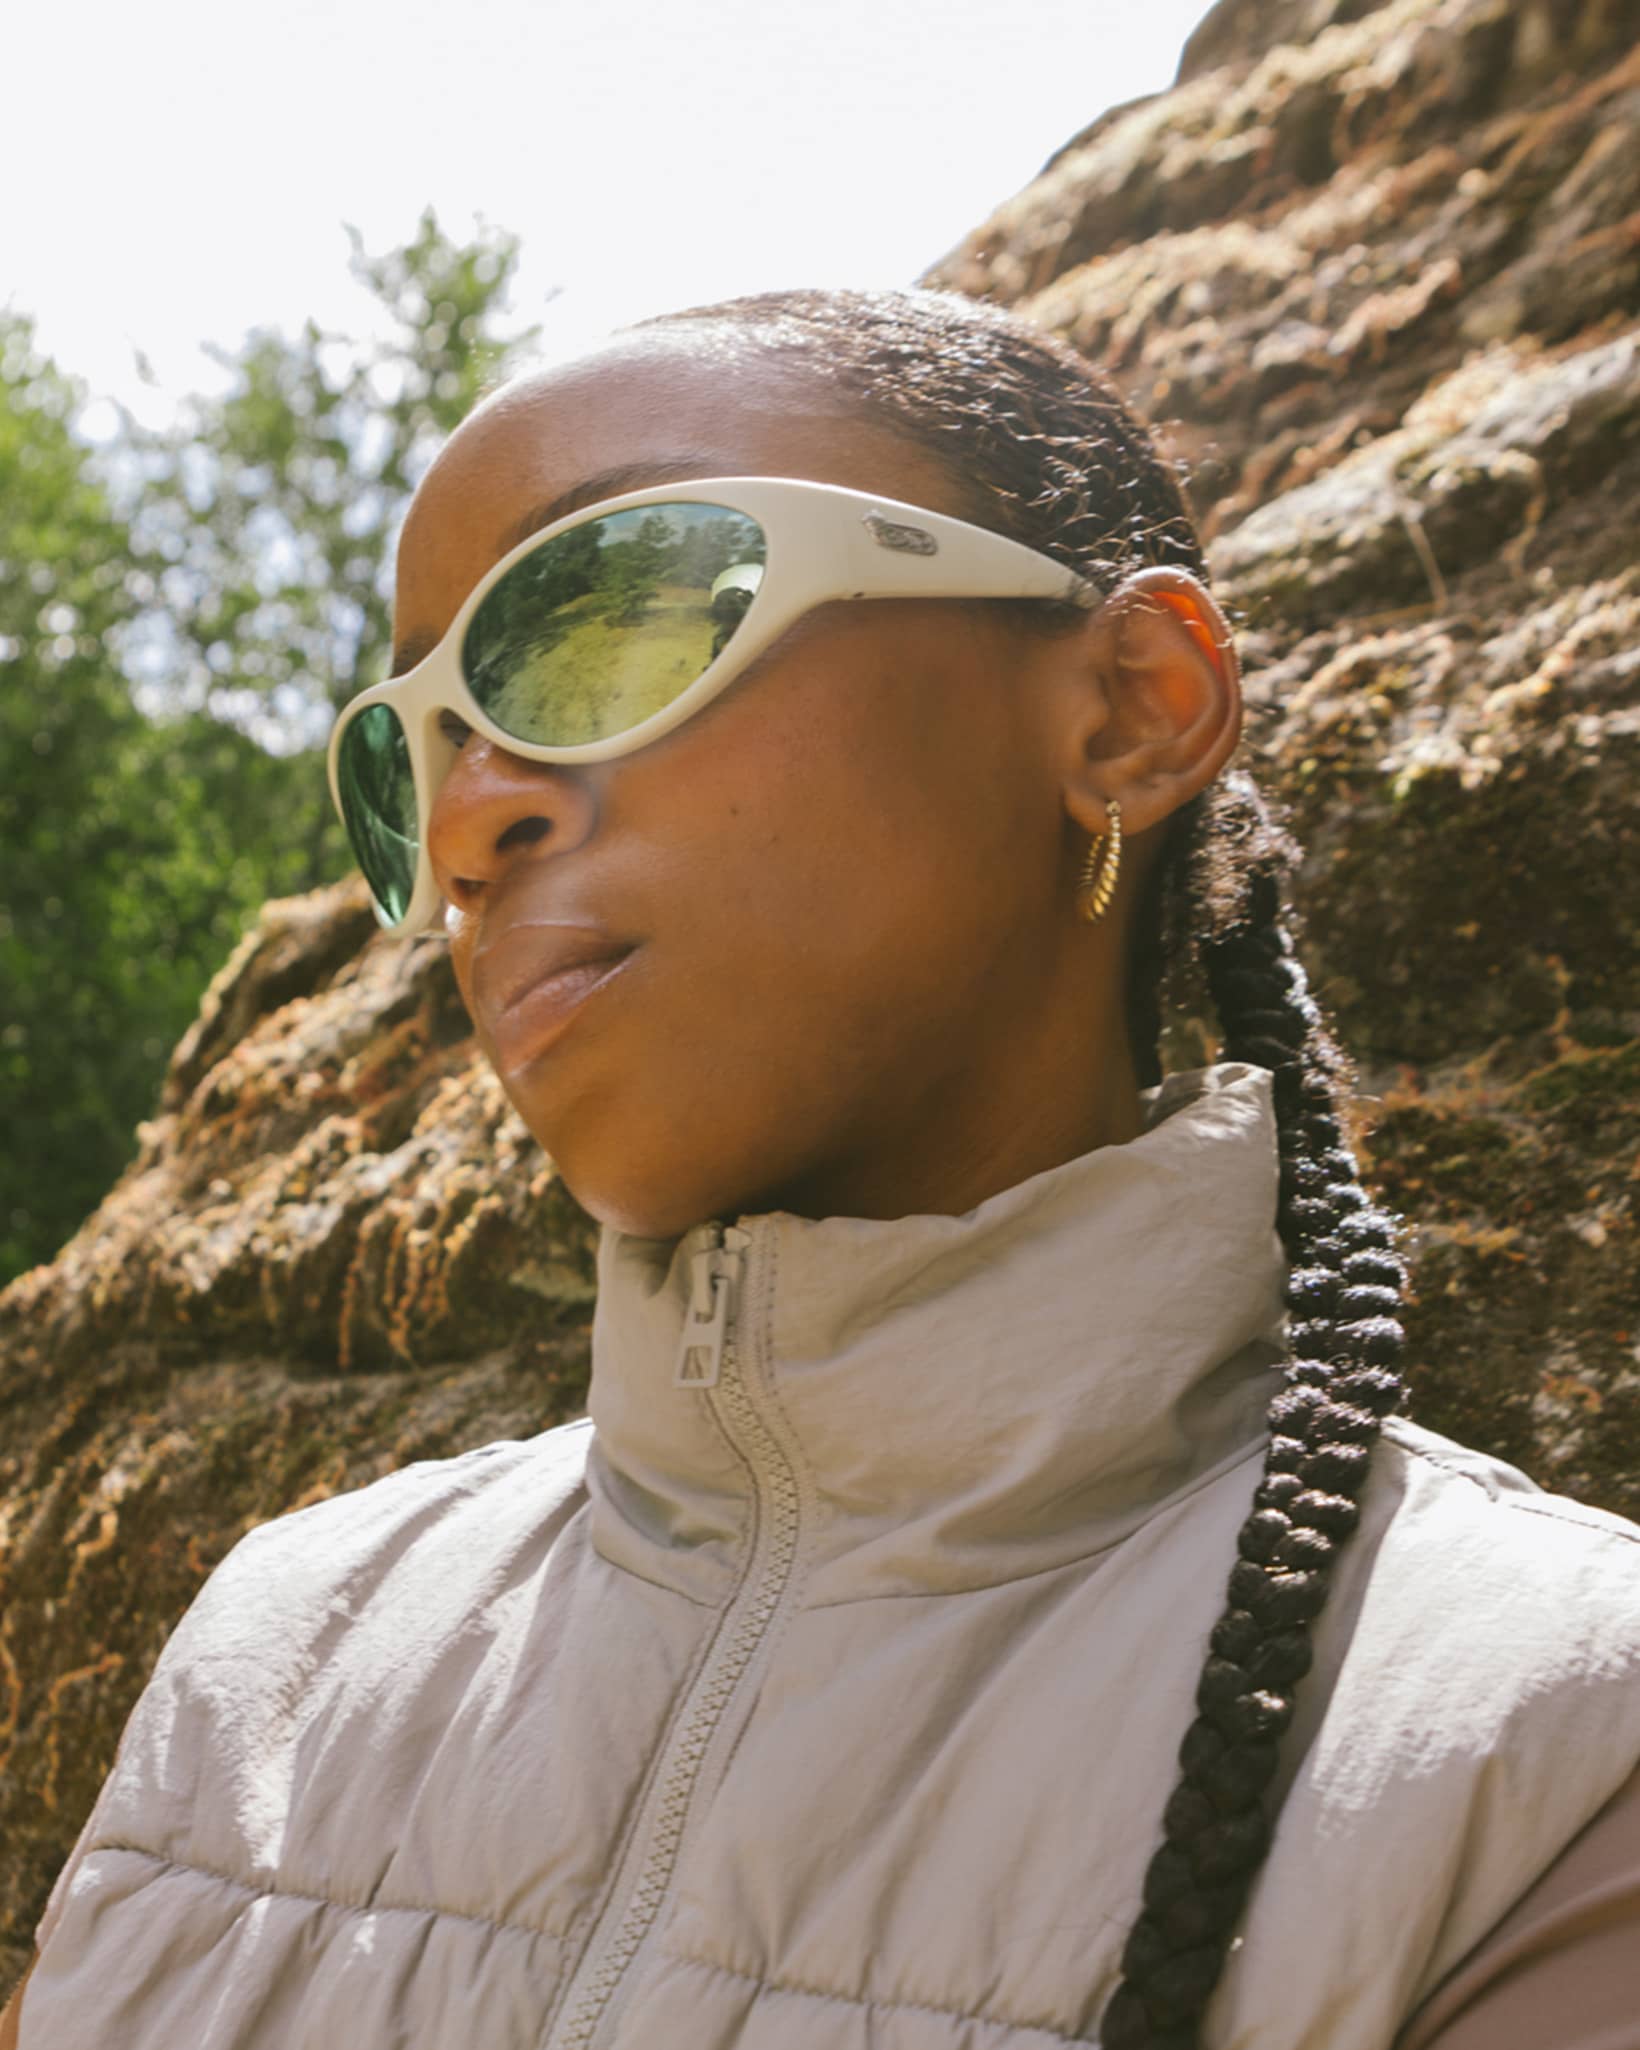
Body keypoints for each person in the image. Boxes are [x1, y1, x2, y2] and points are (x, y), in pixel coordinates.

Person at [8, 287, 1640, 2050]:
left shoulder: (1542, 1747)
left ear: (1133, 709)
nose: (471, 820)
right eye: (406, 755)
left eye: (613, 620)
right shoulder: (274, 1658)